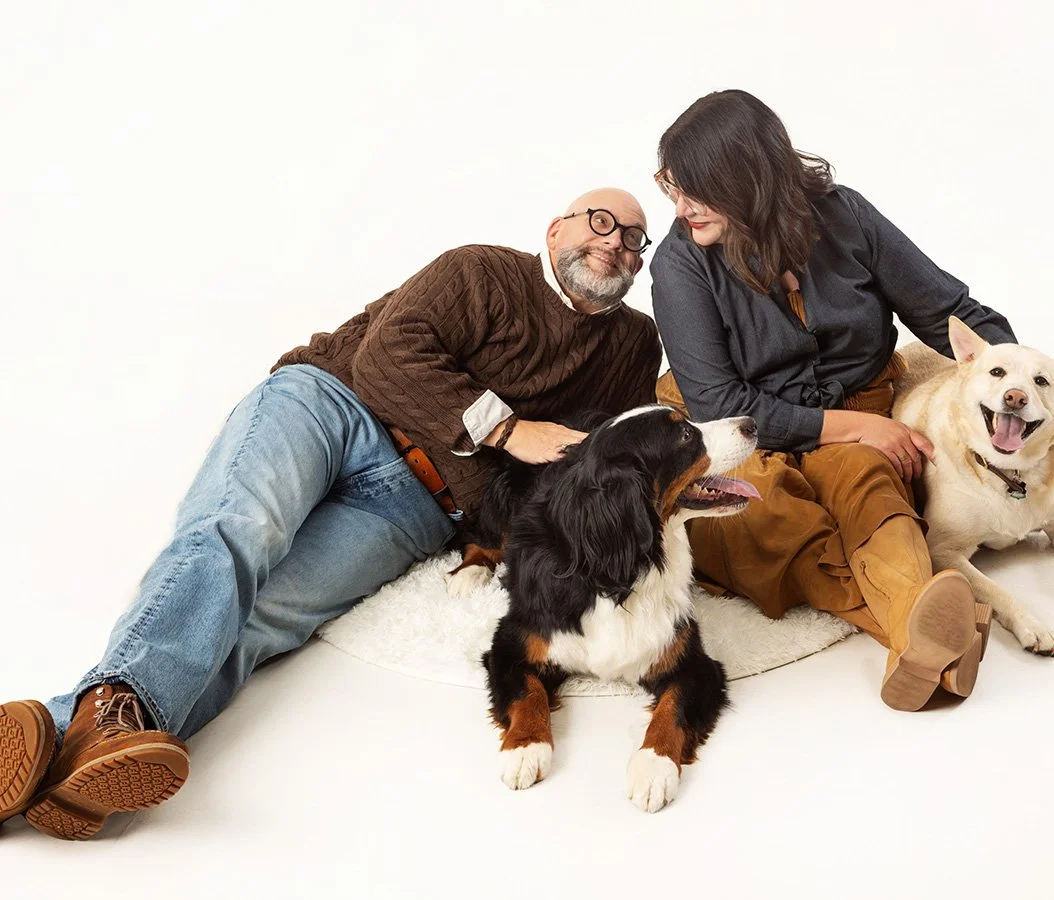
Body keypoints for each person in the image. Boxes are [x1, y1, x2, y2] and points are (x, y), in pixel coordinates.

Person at [0, 188, 662, 840]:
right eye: (601, 222)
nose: (615, 242)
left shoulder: (633, 345)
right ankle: (107, 719)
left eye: (635, 238)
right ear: (555, 230)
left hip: (419, 503)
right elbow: (389, 356)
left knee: (266, 618)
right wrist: (513, 432)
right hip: (332, 405)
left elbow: (617, 457)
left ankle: (70, 746)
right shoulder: (482, 270)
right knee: (240, 531)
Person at [648, 90, 1054, 712]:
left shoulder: (842, 214)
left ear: (749, 178)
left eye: (695, 188)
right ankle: (923, 634)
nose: (679, 205)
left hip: (863, 395)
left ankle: (925, 635)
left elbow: (950, 312)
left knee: (869, 484)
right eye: (671, 186)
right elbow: (716, 398)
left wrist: (1040, 402)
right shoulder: (679, 263)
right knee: (761, 512)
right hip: (744, 424)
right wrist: (851, 425)